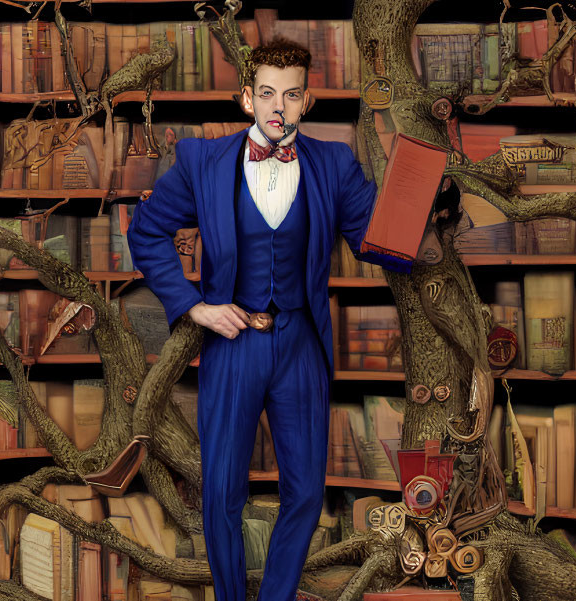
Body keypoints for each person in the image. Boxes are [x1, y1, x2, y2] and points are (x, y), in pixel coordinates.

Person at [126, 38, 399, 601]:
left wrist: (428, 202)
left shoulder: (335, 164)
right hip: (232, 344)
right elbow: (146, 231)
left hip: (301, 343)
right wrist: (193, 304)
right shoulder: (202, 161)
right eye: (268, 94)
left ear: (308, 102)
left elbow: (376, 240)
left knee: (305, 490)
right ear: (247, 98)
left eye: (291, 95)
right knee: (223, 490)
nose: (279, 107)